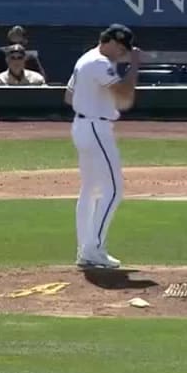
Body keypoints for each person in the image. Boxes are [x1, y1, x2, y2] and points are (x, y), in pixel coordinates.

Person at [64, 24, 140, 269]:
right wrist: (135, 65)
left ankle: (85, 249)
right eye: (121, 48)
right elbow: (126, 97)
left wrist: (93, 97)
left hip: (82, 125)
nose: (122, 53)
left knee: (89, 189)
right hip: (96, 127)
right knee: (114, 189)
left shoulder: (85, 58)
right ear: (111, 42)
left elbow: (68, 95)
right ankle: (93, 248)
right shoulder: (99, 62)